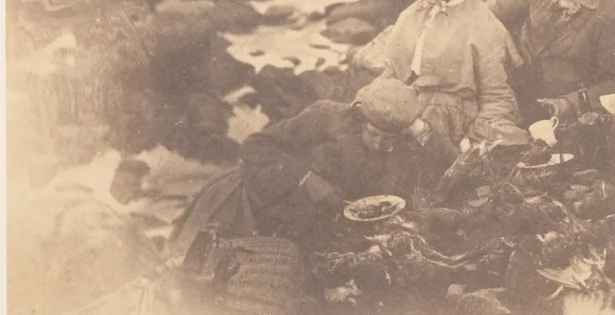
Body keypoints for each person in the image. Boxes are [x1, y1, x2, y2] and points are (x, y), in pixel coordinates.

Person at [168, 79, 436, 258]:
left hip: (313, 219)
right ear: (359, 117)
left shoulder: (402, 145)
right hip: (254, 201)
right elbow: (254, 146)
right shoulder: (326, 117)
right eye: (373, 134)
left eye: (389, 139)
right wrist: (306, 179)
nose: (379, 145)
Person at [381, 0, 529, 147]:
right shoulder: (413, 14)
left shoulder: (480, 22)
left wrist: (475, 138)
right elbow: (391, 75)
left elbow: (497, 95)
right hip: (406, 115)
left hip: (455, 128)